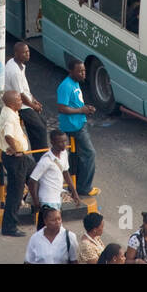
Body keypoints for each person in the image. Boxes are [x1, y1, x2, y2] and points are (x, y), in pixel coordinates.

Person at [57, 58, 98, 197]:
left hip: (79, 123)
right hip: (74, 127)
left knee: (76, 156)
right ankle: (85, 188)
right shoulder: (66, 86)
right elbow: (62, 108)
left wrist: (86, 108)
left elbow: (75, 103)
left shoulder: (75, 83)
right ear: (71, 71)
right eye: (79, 71)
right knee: (89, 153)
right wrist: (81, 111)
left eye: (84, 70)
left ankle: (77, 184)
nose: (83, 73)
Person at [29, 128, 80, 230]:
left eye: (65, 141)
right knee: (46, 229)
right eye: (60, 142)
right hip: (47, 200)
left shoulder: (64, 154)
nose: (64, 144)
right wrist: (36, 201)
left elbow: (66, 173)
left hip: (57, 198)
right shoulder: (46, 160)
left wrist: (74, 192)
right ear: (52, 142)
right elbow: (32, 180)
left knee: (53, 229)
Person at [4, 40, 49, 153]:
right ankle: (41, 155)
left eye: (28, 51)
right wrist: (33, 106)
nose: (27, 54)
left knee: (41, 122)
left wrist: (34, 100)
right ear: (16, 54)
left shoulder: (20, 65)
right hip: (20, 105)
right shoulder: (14, 71)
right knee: (40, 128)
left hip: (26, 102)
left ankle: (38, 152)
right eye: (24, 53)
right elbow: (21, 95)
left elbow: (25, 88)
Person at [0, 90, 33, 237]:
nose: (21, 101)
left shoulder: (11, 112)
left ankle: (32, 200)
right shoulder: (9, 116)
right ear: (12, 102)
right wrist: (16, 149)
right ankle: (9, 227)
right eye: (19, 99)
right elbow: (8, 136)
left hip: (21, 157)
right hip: (15, 159)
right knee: (15, 194)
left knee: (36, 174)